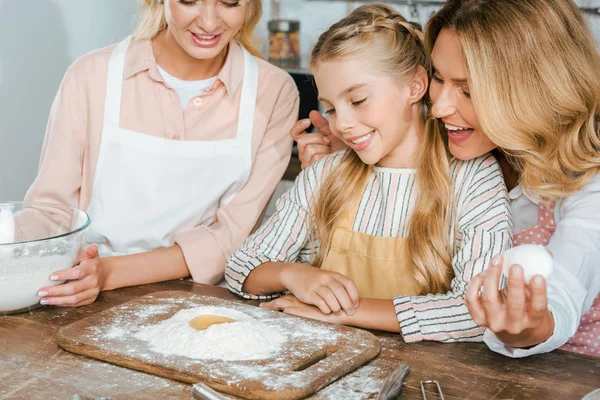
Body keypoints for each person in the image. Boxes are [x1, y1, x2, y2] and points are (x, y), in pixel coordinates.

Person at [292, 0, 600, 357]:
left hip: (569, 375)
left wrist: (527, 327)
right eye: (438, 77)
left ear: (533, 90)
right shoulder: (446, 148)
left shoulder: (587, 185)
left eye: (466, 91)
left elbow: (561, 295)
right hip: (442, 359)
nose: (439, 108)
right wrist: (349, 163)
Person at [226, 4, 511, 341]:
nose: (342, 123)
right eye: (330, 108)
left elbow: (476, 310)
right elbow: (240, 267)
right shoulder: (326, 174)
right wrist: (294, 275)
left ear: (415, 86)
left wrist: (344, 313)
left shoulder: (473, 178)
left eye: (358, 100)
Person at [26, 0, 299, 307]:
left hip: (203, 303)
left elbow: (232, 237)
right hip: (81, 293)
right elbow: (49, 211)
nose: (209, 23)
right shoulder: (91, 75)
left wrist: (109, 273)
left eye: (229, 2)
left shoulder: (273, 91)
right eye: (189, 1)